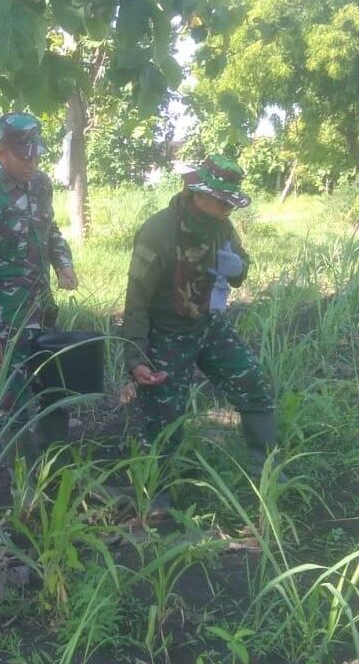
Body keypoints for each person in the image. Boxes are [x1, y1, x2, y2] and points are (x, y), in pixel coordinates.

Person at [122, 154, 279, 515]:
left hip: (209, 325)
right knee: (163, 419)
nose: (227, 210)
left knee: (254, 385)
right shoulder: (158, 232)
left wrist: (238, 267)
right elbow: (136, 301)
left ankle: (267, 474)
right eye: (221, 202)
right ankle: (154, 493)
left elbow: (239, 267)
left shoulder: (221, 226)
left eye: (230, 203)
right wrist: (136, 358)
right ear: (197, 194)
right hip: (168, 332)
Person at [0, 112, 78, 457]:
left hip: (41, 309)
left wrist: (63, 264)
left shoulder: (41, 185)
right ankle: (10, 478)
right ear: (2, 152)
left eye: (36, 155)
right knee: (7, 402)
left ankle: (53, 462)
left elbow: (50, 230)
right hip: (4, 321)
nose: (32, 162)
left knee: (52, 388)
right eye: (24, 156)